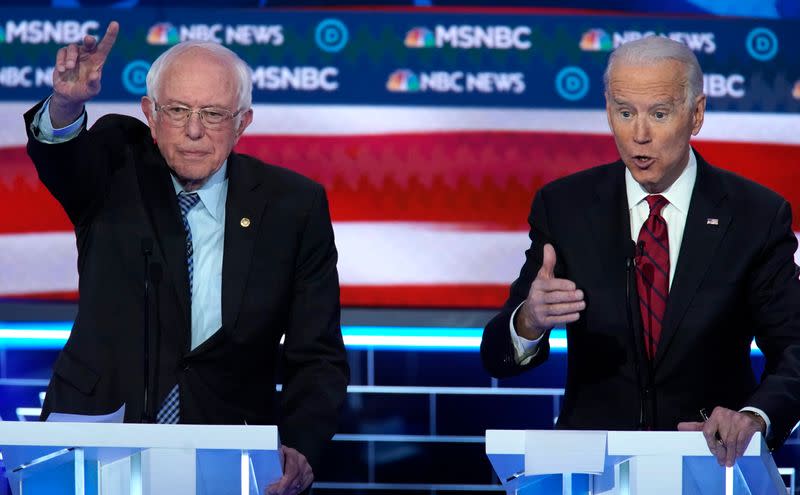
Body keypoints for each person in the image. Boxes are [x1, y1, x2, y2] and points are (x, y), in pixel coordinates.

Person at [24, 22, 349, 495]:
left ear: (244, 122)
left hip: (228, 450)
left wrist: (300, 447)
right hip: (93, 441)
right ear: (150, 113)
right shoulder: (117, 164)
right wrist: (68, 105)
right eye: (178, 110)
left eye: (214, 114)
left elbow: (317, 354)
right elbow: (64, 162)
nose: (194, 131)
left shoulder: (292, 207)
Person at [481, 35, 800, 468]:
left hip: (710, 463)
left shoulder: (755, 216)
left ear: (697, 114)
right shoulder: (565, 207)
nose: (639, 135)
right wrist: (529, 321)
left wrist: (755, 417)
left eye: (659, 114)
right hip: (593, 470)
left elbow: (794, 348)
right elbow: (497, 356)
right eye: (624, 112)